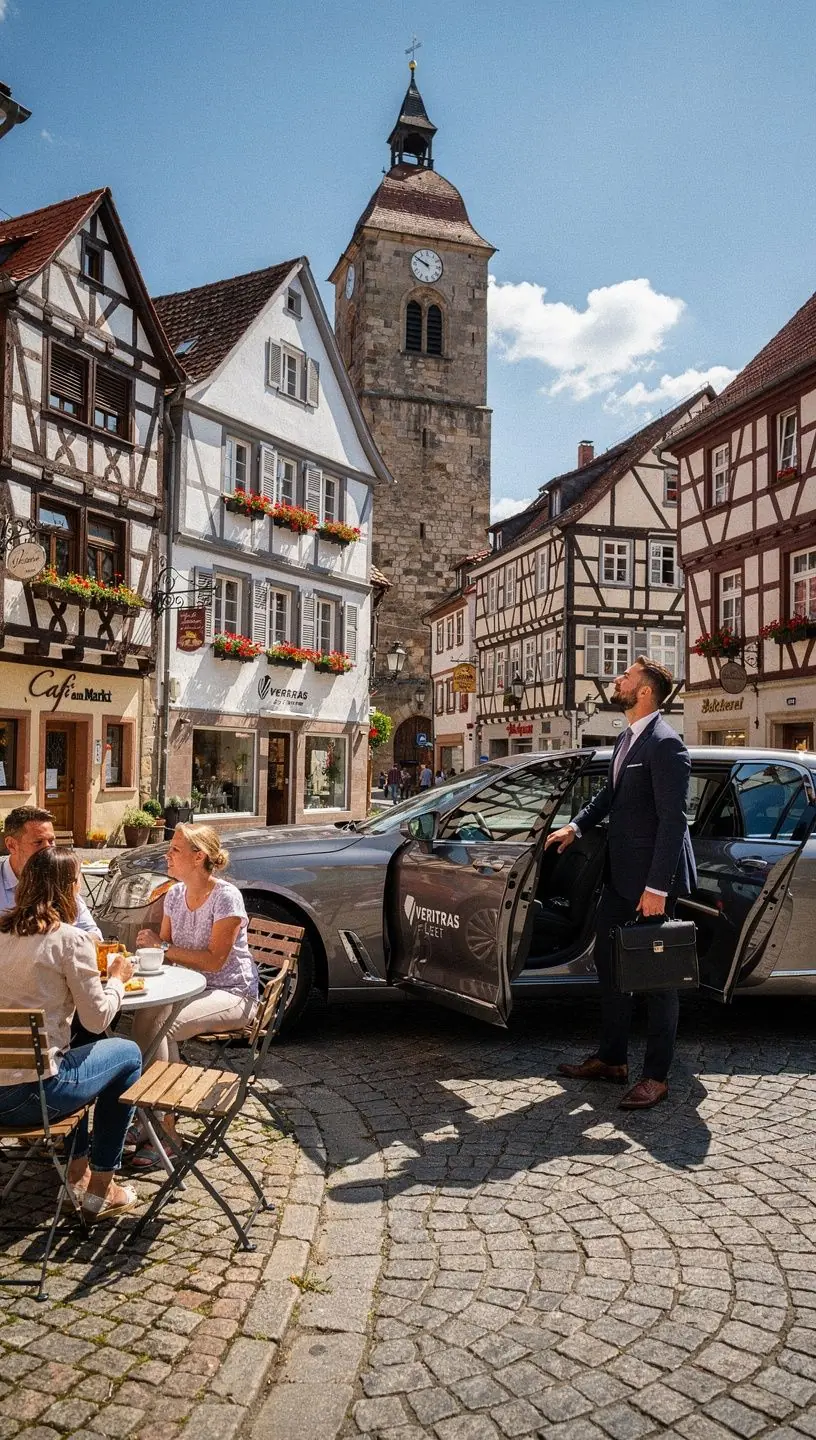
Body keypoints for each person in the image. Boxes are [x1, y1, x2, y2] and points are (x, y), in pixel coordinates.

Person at [546, 657, 695, 1111]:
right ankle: (612, 1060)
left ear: (645, 691)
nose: (616, 680)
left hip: (651, 883)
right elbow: (608, 796)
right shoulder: (627, 738)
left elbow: (673, 822)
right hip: (619, 878)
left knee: (658, 979)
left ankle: (656, 1076)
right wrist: (576, 826)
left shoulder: (666, 745)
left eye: (625, 676)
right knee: (611, 970)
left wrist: (657, 889)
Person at [0, 848, 141, 1219]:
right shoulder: (69, 940)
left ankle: (77, 1173)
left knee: (79, 1047)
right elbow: (97, 1019)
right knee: (126, 1053)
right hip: (34, 1098)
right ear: (70, 888)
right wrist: (116, 981)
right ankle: (102, 1188)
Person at [130, 823, 258, 1164]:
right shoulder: (173, 894)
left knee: (163, 1026)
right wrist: (149, 952)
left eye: (174, 850)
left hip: (232, 992)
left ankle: (164, 1130)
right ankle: (146, 1115)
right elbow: (169, 956)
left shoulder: (226, 897)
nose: (167, 855)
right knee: (143, 1017)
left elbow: (215, 961)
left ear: (198, 856)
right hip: (187, 988)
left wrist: (163, 946)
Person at [1, 807, 102, 937]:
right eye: (38, 842)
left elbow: (93, 934)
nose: (48, 849)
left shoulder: (59, 877)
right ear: (11, 845)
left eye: (51, 841)